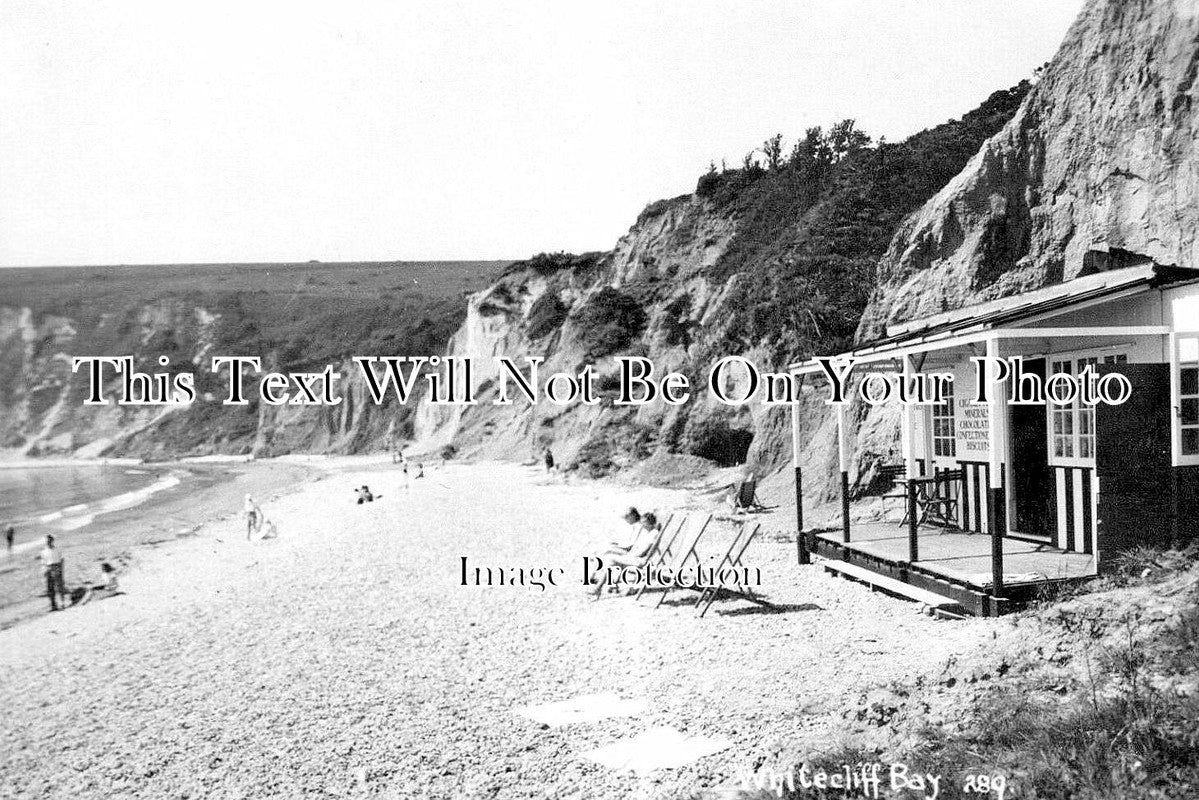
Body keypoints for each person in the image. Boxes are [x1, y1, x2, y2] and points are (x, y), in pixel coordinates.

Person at [39, 535, 67, 612]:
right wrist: (44, 572)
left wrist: (61, 570)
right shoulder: (43, 551)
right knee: (50, 588)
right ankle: (53, 605)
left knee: (59, 586)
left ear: (52, 541)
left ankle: (62, 603)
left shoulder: (57, 550)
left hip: (56, 567)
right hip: (48, 568)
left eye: (49, 541)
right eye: (47, 541)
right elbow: (43, 563)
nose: (48, 542)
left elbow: (61, 560)